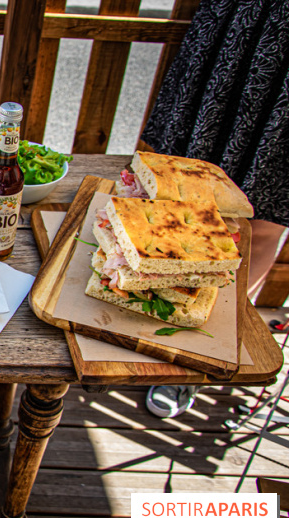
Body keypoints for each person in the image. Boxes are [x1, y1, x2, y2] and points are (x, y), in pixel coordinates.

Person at [140, 0, 289, 418]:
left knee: (267, 218)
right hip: (244, 27)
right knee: (183, 190)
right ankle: (154, 315)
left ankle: (197, 354)